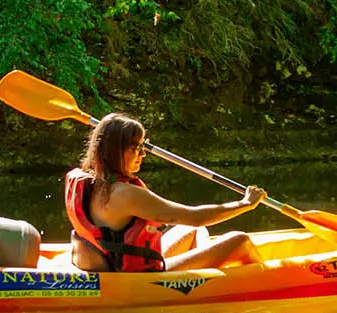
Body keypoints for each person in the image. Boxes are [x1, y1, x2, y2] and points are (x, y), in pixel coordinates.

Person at [65, 113, 265, 272]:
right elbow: (195, 217)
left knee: (194, 232)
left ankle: (205, 277)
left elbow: (193, 225)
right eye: (136, 148)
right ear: (115, 151)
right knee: (241, 241)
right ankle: (253, 283)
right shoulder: (125, 194)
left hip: (111, 264)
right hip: (135, 281)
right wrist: (245, 204)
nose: (142, 154)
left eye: (143, 146)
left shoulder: (91, 181)